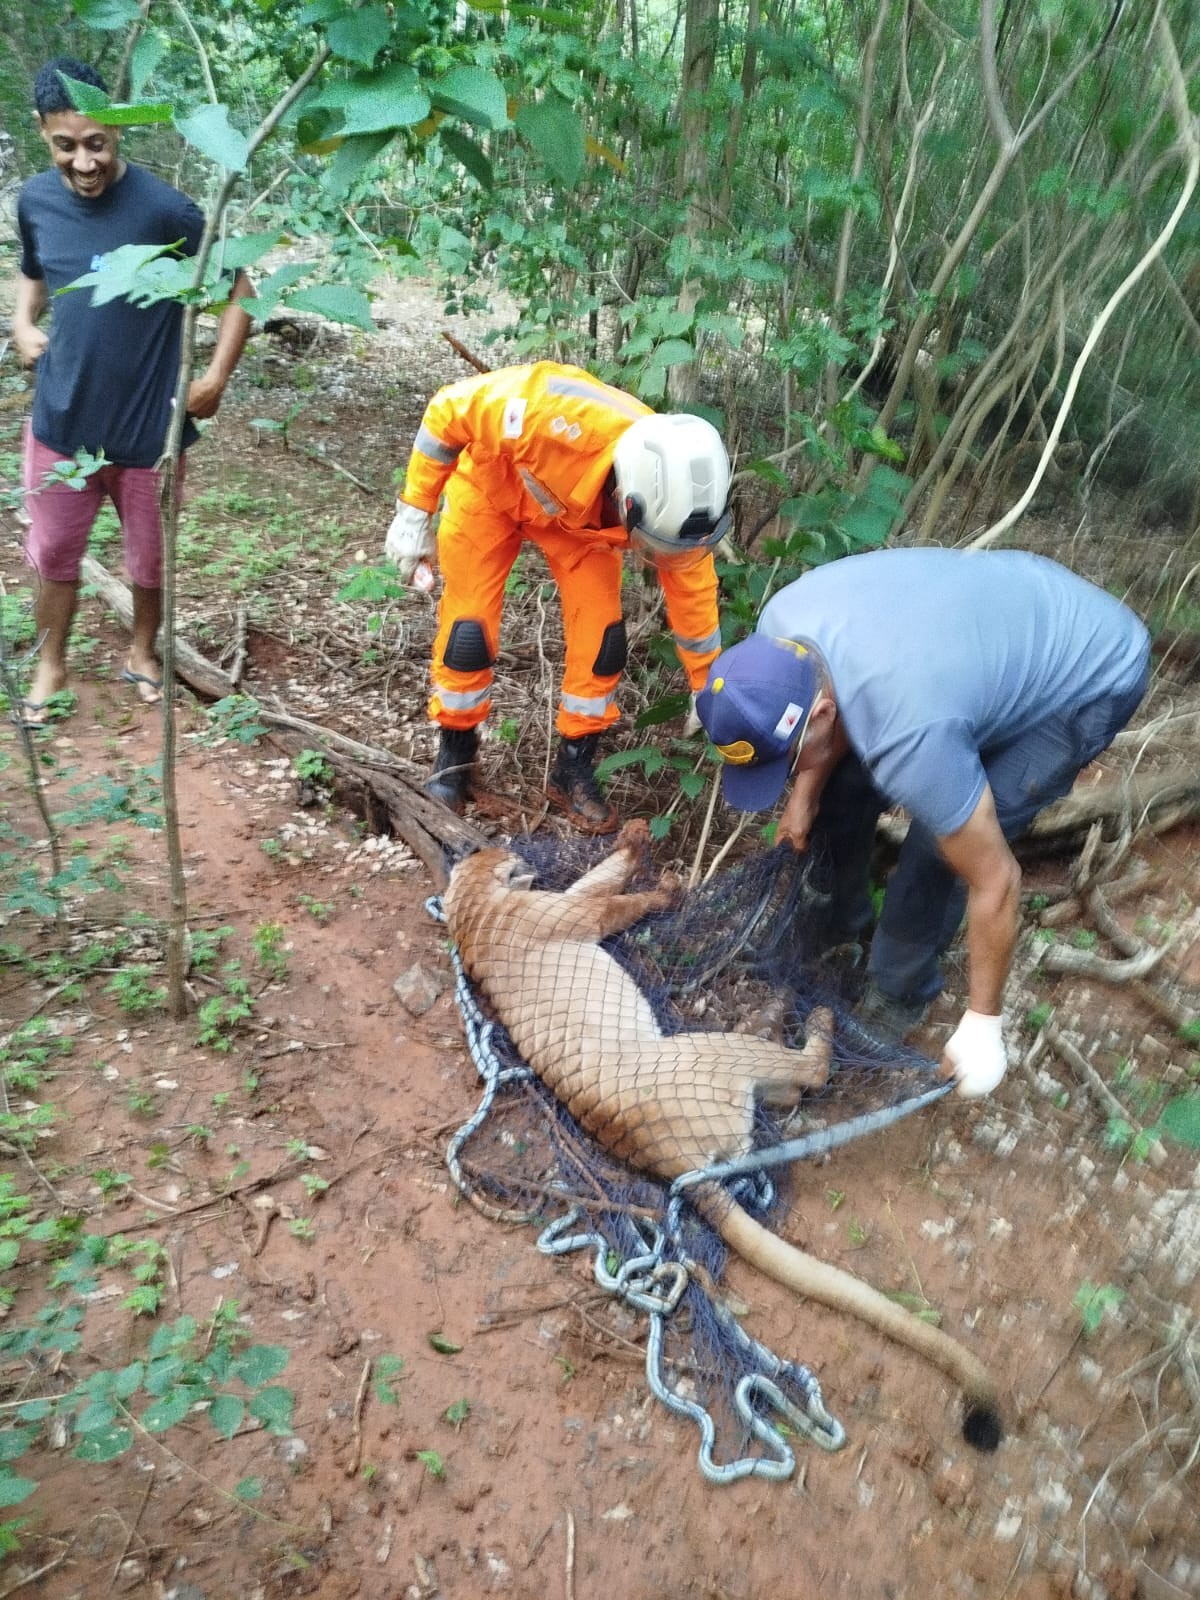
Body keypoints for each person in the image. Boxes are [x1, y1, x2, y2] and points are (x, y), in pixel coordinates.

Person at [695, 547, 1150, 1097]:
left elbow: (995, 879)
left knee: (940, 846)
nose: (784, 779)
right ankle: (842, 921)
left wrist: (985, 1025)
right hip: (977, 639)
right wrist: (804, 795)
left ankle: (900, 989)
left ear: (820, 715)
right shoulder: (780, 634)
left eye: (783, 766)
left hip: (1085, 671)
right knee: (841, 784)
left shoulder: (909, 732)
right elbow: (832, 715)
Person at [384, 361, 729, 832]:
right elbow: (448, 409)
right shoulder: (547, 412)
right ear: (628, 497)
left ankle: (574, 767)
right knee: (468, 632)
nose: (656, 558)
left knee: (603, 641)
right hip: (488, 490)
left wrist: (706, 683)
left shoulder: (684, 510)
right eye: (652, 546)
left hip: (580, 529)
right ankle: (456, 755)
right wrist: (414, 511)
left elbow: (693, 596)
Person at [12, 56, 253, 726]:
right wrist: (22, 320)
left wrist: (215, 377)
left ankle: (144, 651)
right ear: (43, 133)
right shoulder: (33, 200)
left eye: (98, 143)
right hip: (61, 422)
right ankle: (50, 663)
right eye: (66, 146)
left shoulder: (164, 209)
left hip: (152, 431)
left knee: (150, 559)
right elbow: (35, 271)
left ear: (118, 130)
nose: (84, 162)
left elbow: (240, 290)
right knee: (55, 555)